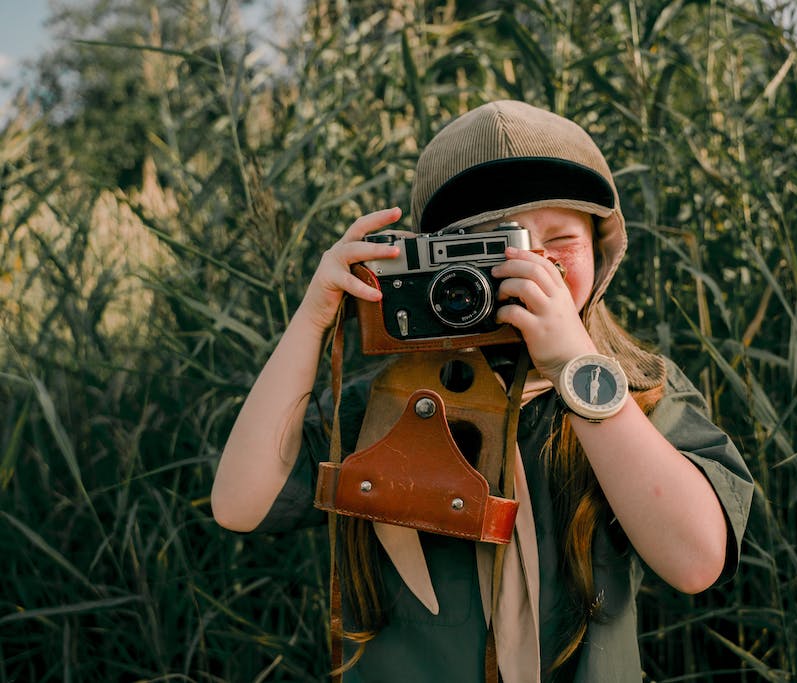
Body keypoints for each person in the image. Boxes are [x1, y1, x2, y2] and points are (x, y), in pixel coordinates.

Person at [211, 100, 754, 682]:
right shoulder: (387, 401)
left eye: (559, 237)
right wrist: (312, 320)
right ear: (431, 265)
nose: (531, 262)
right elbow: (240, 505)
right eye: (491, 242)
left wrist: (579, 368)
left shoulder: (638, 393)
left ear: (601, 251)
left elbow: (696, 561)